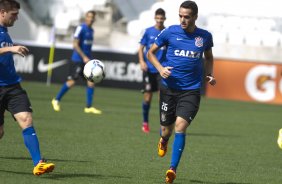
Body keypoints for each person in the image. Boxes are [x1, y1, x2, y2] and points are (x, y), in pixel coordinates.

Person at [147, 1, 216, 183]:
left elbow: (208, 57)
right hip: (169, 89)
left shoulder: (205, 37)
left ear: (195, 17)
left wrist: (209, 74)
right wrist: (160, 68)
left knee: (180, 126)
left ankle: (172, 169)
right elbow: (150, 53)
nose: (183, 20)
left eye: (187, 16)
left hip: (191, 90)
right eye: (180, 16)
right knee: (166, 130)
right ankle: (163, 139)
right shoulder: (170, 32)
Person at [0, 0, 55, 175]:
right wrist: (10, 49)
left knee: (26, 119)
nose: (16, 18)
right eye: (13, 14)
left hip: (13, 86)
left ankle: (38, 163)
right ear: (2, 12)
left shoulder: (5, 32)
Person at [51, 10, 102, 114]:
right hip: (78, 60)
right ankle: (56, 100)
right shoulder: (81, 28)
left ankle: (88, 107)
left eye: (92, 17)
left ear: (94, 19)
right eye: (89, 16)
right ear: (86, 17)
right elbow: (75, 44)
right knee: (72, 82)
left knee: (91, 81)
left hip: (87, 60)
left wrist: (89, 58)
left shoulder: (91, 30)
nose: (91, 19)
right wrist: (83, 57)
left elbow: (88, 47)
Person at [138, 8, 167, 133]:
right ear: (155, 18)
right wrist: (142, 61)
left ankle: (163, 125)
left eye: (161, 18)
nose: (159, 20)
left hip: (161, 70)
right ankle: (145, 122)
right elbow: (141, 48)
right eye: (158, 18)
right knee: (147, 98)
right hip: (149, 69)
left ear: (164, 19)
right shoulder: (148, 31)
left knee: (163, 99)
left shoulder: (167, 32)